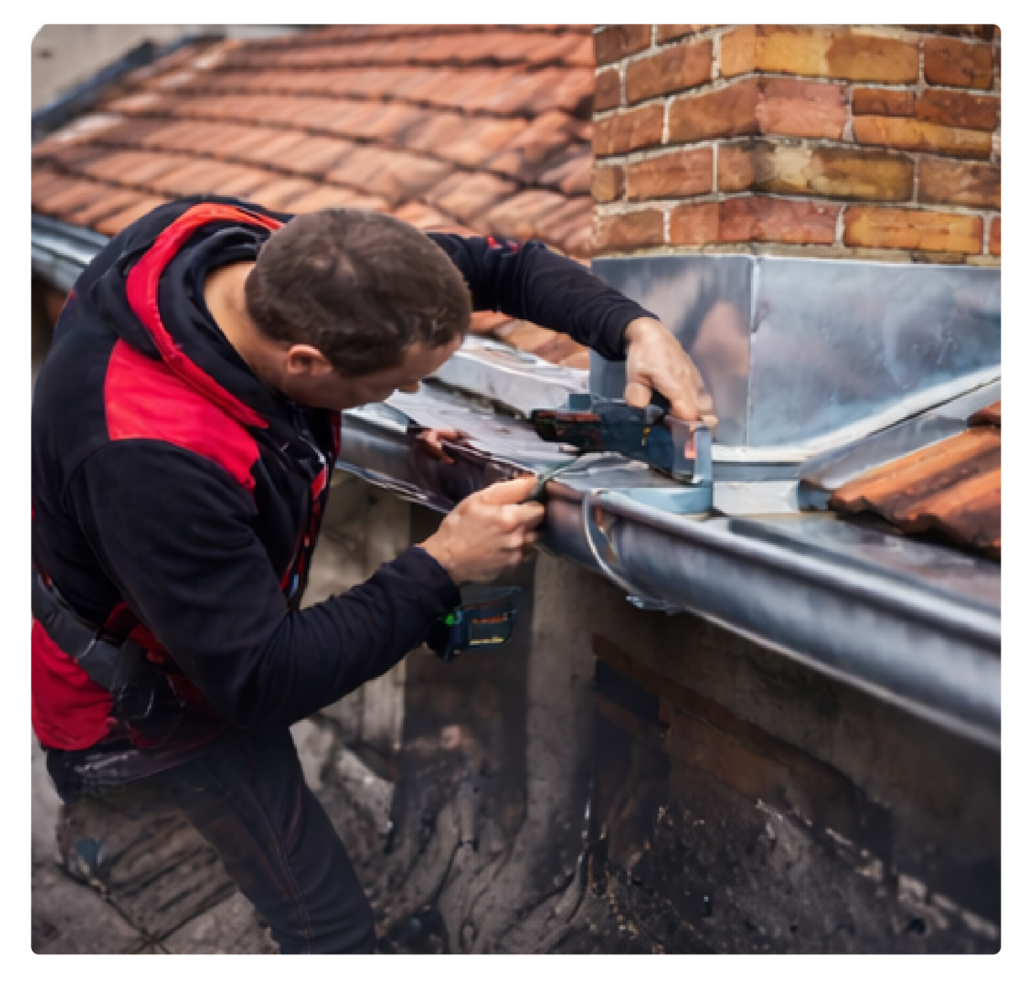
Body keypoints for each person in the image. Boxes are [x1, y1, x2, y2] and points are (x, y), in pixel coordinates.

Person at [29, 195, 715, 956]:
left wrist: (633, 327)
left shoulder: (275, 259)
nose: (408, 395)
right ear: (305, 364)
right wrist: (442, 565)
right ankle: (129, 847)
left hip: (199, 625)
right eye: (392, 386)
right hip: (145, 708)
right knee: (321, 917)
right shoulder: (151, 456)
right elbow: (262, 680)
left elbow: (502, 266)